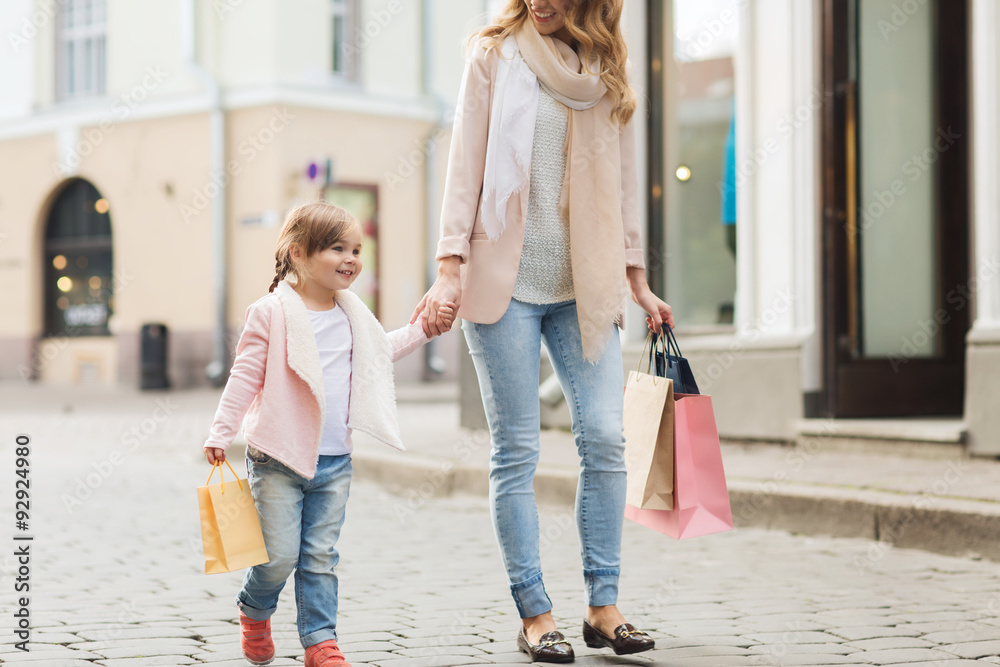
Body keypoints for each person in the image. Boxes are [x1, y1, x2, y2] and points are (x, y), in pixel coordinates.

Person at [412, 0, 674, 662]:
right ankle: (536, 613)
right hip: (504, 283)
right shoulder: (493, 57)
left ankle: (603, 605)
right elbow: (464, 167)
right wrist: (449, 268)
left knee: (607, 437)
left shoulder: (605, 70)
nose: (541, 3)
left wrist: (636, 278)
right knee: (517, 451)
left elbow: (624, 184)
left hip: (582, 284)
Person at [203, 202, 454, 667]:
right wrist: (222, 430)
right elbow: (244, 375)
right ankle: (254, 610)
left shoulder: (352, 313)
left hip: (335, 461)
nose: (352, 258)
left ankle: (320, 641)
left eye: (357, 249)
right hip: (278, 459)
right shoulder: (271, 313)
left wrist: (424, 329)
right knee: (278, 556)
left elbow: (383, 351)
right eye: (337, 248)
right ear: (298, 254)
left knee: (319, 556)